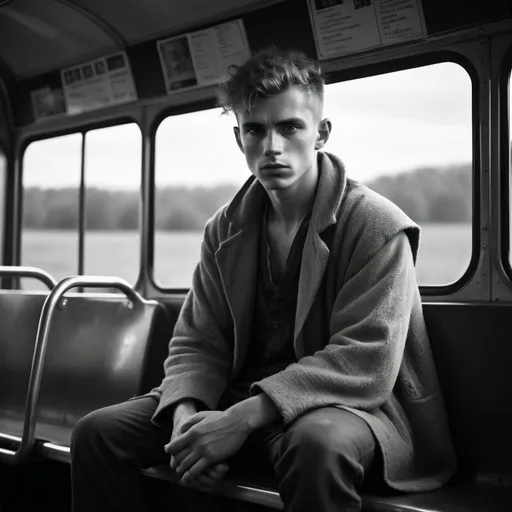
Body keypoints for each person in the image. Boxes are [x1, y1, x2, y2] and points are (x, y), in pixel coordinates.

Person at [70, 46, 456, 512]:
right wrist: (185, 420)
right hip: (236, 398)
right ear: (239, 139)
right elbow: (199, 341)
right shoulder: (224, 229)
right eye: (255, 129)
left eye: (289, 126)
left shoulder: (376, 225)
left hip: (348, 408)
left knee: (318, 447)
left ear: (321, 134)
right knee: (97, 434)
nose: (271, 146)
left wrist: (239, 420)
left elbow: (365, 360)